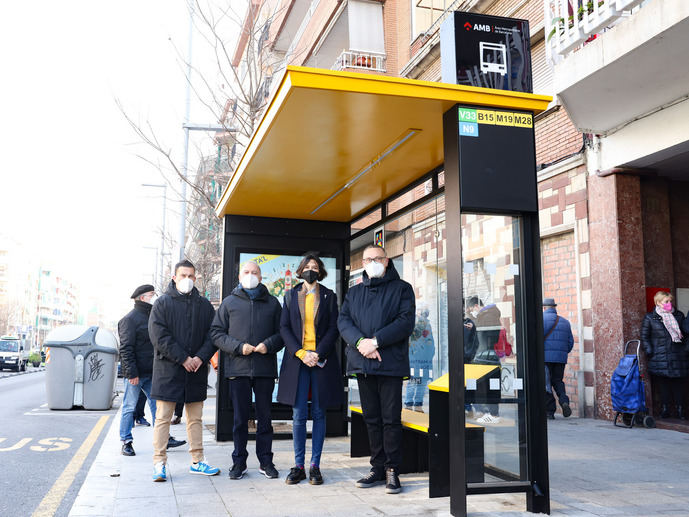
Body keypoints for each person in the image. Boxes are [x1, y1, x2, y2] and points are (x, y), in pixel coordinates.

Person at [338, 244, 415, 495]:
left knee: (390, 419)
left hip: (390, 364)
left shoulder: (402, 289)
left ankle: (393, 469)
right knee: (371, 418)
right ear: (362, 263)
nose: (372, 262)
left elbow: (405, 322)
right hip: (363, 364)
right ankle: (377, 467)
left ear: (387, 260)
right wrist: (362, 343)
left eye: (377, 258)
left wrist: (376, 341)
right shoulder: (354, 292)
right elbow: (344, 321)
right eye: (368, 259)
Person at [211, 260, 283, 480]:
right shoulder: (229, 302)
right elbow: (216, 333)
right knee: (240, 420)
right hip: (237, 369)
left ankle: (266, 462)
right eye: (246, 272)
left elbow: (283, 334)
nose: (250, 275)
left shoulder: (272, 303)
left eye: (255, 272)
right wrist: (238, 347)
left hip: (264, 369)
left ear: (261, 277)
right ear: (240, 276)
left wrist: (268, 345)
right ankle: (238, 462)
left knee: (265, 419)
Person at [149, 260, 219, 481]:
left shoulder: (204, 306)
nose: (187, 280)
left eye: (191, 276)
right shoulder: (162, 303)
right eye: (183, 276)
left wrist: (199, 357)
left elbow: (213, 335)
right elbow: (159, 336)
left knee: (195, 419)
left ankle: (197, 461)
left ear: (195, 278)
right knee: (163, 418)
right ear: (174, 277)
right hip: (168, 371)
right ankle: (159, 463)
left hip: (196, 371)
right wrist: (183, 358)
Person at [278, 253, 342, 485]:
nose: (311, 270)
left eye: (315, 267)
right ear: (300, 270)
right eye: (308, 266)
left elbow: (334, 329)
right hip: (298, 360)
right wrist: (302, 353)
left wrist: (317, 354)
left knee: (318, 413)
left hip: (321, 361)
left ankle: (315, 466)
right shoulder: (289, 295)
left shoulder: (328, 295)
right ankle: (299, 466)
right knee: (298, 415)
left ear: (320, 271)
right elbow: (284, 328)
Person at [118, 284, 185, 456]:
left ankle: (164, 438)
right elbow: (125, 349)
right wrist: (131, 373)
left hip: (153, 371)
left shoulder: (154, 316)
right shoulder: (129, 319)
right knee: (129, 406)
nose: (154, 296)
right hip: (136, 373)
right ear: (142, 298)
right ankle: (126, 441)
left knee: (158, 406)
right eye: (151, 294)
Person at [642, 291, 688, 419]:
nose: (669, 304)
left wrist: (685, 350)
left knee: (678, 385)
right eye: (666, 301)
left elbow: (685, 333)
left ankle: (680, 410)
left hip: (678, 356)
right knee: (663, 385)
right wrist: (650, 351)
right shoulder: (650, 318)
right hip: (659, 357)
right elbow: (645, 337)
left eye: (670, 301)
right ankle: (665, 409)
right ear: (658, 303)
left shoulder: (678, 315)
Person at [467, 296, 502, 423]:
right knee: (486, 386)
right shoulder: (486, 315)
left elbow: (489, 336)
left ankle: (493, 414)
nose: (472, 312)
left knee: (488, 386)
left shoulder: (488, 316)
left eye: (472, 309)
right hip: (487, 356)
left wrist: (476, 326)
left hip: (487, 357)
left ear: (477, 305)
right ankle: (489, 413)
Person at [542, 298, 574, 419]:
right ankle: (564, 400)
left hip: (545, 358)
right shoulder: (565, 322)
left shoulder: (541, 320)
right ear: (554, 307)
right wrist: (562, 354)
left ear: (544, 308)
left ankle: (550, 411)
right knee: (558, 381)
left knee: (546, 384)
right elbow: (570, 342)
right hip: (560, 359)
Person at [405, 307, 435, 412]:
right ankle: (412, 403)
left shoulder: (425, 325)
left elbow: (430, 342)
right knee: (417, 381)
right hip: (417, 359)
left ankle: (415, 404)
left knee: (418, 381)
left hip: (419, 358)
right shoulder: (417, 324)